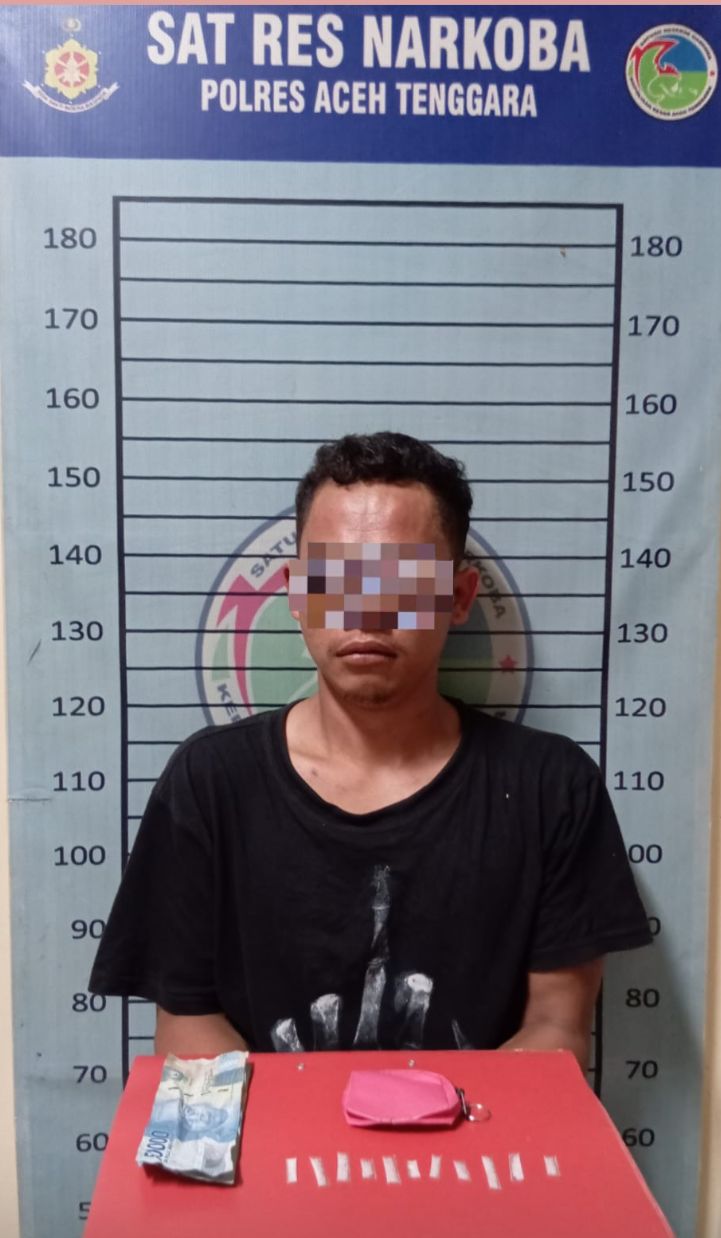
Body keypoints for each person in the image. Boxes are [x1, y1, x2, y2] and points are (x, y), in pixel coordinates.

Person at [89, 432, 652, 1068]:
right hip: (268, 1134)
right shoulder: (209, 782)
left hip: (475, 1132)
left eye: (402, 579)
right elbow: (188, 1026)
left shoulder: (552, 788)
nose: (366, 610)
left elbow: (555, 1032)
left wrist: (423, 1125)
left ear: (458, 598)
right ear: (297, 593)